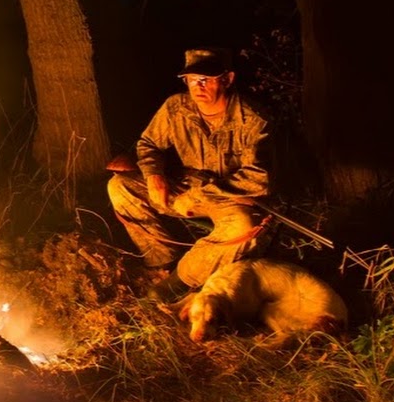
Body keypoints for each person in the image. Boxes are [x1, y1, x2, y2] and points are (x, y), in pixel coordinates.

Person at [107, 46, 272, 294]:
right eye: (192, 80)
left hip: (231, 198)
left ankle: (178, 281)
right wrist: (154, 175)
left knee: (243, 227)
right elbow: (149, 143)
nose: (198, 87)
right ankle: (161, 261)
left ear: (227, 79)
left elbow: (259, 178)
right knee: (120, 187)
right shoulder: (176, 108)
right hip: (186, 187)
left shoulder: (253, 120)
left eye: (206, 80)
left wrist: (196, 197)